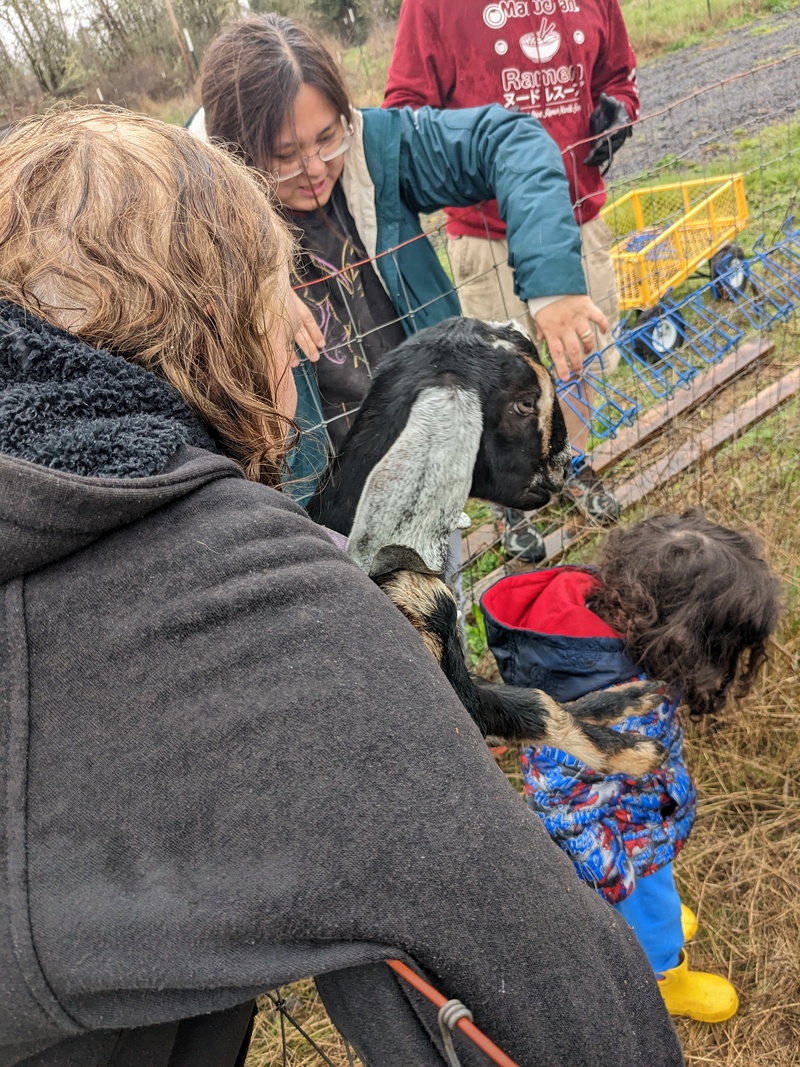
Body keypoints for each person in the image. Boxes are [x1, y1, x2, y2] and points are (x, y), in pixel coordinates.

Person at [0, 109, 687, 1067]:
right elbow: (554, 987)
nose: (307, 333)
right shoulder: (263, 604)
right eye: (279, 309)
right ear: (215, 333)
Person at [191, 12, 608, 507]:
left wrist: (553, 284)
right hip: (310, 503)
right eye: (284, 155)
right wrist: (250, 285)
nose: (315, 169)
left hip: (422, 462)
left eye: (328, 138)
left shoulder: (379, 147)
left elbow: (508, 140)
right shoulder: (192, 213)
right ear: (235, 152)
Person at [481, 509, 782, 1023]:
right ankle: (667, 979)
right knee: (654, 917)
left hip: (632, 816)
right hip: (623, 850)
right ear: (688, 637)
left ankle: (651, 924)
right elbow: (558, 805)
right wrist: (617, 875)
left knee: (653, 905)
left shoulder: (605, 642)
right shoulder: (604, 707)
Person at [384, 0, 640, 561]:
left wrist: (618, 109)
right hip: (487, 232)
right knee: (501, 384)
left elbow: (619, 73)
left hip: (577, 219)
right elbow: (405, 116)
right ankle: (509, 501)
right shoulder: (432, 7)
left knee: (578, 361)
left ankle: (573, 463)